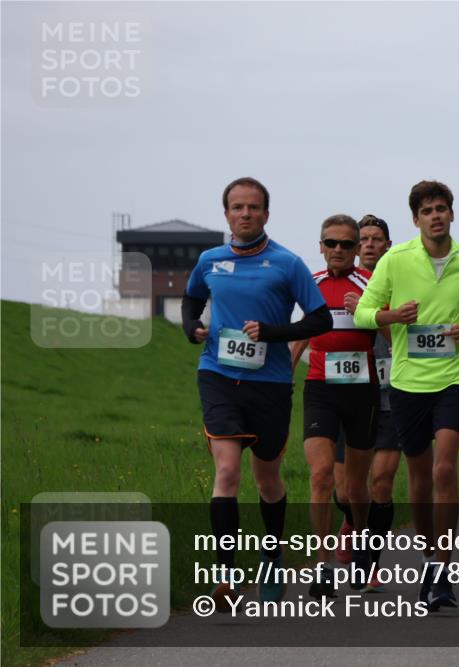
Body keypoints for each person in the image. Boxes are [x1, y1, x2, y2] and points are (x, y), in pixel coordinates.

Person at [181, 177, 332, 606]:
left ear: (266, 214)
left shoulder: (287, 263)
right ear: (226, 213)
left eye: (253, 207)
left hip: (270, 384)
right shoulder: (210, 259)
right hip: (218, 375)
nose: (245, 214)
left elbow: (319, 320)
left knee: (267, 480)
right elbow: (191, 301)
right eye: (237, 207)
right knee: (226, 473)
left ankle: (272, 554)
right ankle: (226, 573)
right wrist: (192, 328)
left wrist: (273, 332)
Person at [354, 181, 459, 610]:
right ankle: (428, 559)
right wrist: (390, 314)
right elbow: (365, 312)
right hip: (407, 382)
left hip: (454, 380)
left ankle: (443, 570)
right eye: (427, 210)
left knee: (443, 470)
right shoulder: (396, 260)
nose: (435, 215)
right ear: (416, 219)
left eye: (442, 208)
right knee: (418, 481)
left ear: (452, 214)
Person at [290, 214, 380, 597]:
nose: (338, 250)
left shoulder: (371, 282)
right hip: (320, 388)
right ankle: (323, 567)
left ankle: (362, 549)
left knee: (355, 490)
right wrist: (285, 375)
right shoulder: (311, 284)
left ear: (358, 247)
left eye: (346, 244)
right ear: (321, 246)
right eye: (331, 243)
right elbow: (300, 334)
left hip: (362, 391)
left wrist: (365, 309)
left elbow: (394, 331)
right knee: (321, 476)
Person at [346, 214, 400, 591]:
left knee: (380, 482)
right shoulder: (337, 285)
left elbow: (409, 337)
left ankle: (369, 562)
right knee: (342, 489)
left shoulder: (400, 285)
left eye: (376, 239)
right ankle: (352, 521)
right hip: (347, 393)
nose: (368, 244)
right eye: (362, 239)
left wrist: (370, 312)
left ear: (387, 245)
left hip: (393, 396)